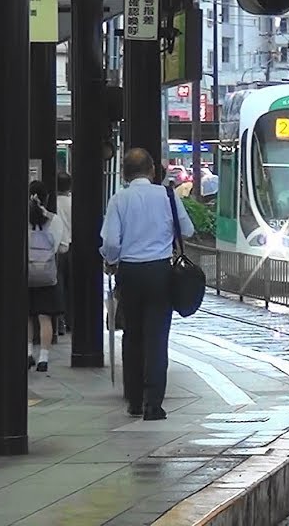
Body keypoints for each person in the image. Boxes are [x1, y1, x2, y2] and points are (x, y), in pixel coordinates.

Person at [100, 148, 194, 421]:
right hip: (160, 272)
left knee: (132, 335)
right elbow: (186, 230)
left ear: (125, 173)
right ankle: (154, 403)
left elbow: (111, 243)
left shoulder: (119, 199)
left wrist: (111, 260)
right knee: (157, 337)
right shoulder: (167, 195)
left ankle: (134, 400)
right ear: (152, 170)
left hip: (129, 272)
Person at [27, 180, 68, 372]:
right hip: (47, 274)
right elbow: (63, 247)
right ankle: (43, 357)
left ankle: (27, 353)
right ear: (47, 198)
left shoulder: (21, 218)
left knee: (26, 316)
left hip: (25, 273)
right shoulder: (54, 220)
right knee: (45, 317)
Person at [56, 172, 74, 335]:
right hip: (72, 247)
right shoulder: (74, 203)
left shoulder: (53, 204)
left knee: (59, 286)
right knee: (71, 287)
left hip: (56, 249)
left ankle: (59, 322)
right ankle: (71, 321)